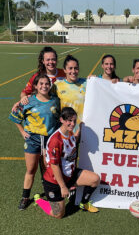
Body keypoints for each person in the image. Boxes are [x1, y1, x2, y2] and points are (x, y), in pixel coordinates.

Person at [34, 107, 100, 218]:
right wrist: (63, 187)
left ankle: (84, 204)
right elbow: (54, 166)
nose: (72, 123)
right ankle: (40, 200)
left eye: (74, 121)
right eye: (69, 120)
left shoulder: (69, 133)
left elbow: (73, 139)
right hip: (54, 182)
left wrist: (80, 129)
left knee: (95, 179)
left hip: (70, 176)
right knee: (58, 214)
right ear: (61, 120)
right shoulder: (56, 140)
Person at [9, 74, 60, 210]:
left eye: (46, 84)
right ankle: (25, 197)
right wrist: (22, 131)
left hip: (49, 140)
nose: (44, 86)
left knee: (47, 169)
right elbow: (14, 116)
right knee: (31, 169)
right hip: (33, 140)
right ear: (36, 86)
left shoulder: (55, 100)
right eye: (41, 84)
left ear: (50, 85)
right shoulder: (28, 101)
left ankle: (50, 195)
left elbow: (59, 118)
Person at [52, 55, 86, 132]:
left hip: (84, 129)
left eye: (76, 68)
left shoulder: (86, 83)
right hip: (66, 130)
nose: (73, 71)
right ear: (64, 70)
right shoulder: (57, 85)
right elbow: (45, 98)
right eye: (70, 68)